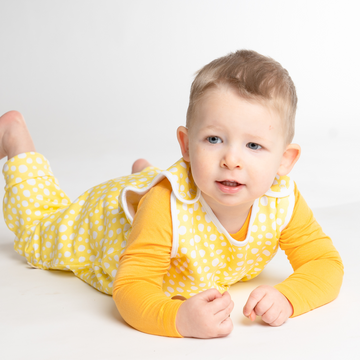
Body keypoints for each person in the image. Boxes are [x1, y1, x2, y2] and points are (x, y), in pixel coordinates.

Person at [0, 50, 343, 339]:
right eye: (213, 139)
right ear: (186, 145)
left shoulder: (282, 199)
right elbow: (131, 287)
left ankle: (145, 175)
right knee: (38, 235)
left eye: (254, 145)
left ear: (285, 160)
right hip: (103, 226)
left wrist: (289, 297)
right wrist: (178, 319)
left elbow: (325, 263)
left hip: (169, 191)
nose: (231, 160)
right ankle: (16, 139)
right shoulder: (166, 206)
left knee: (165, 186)